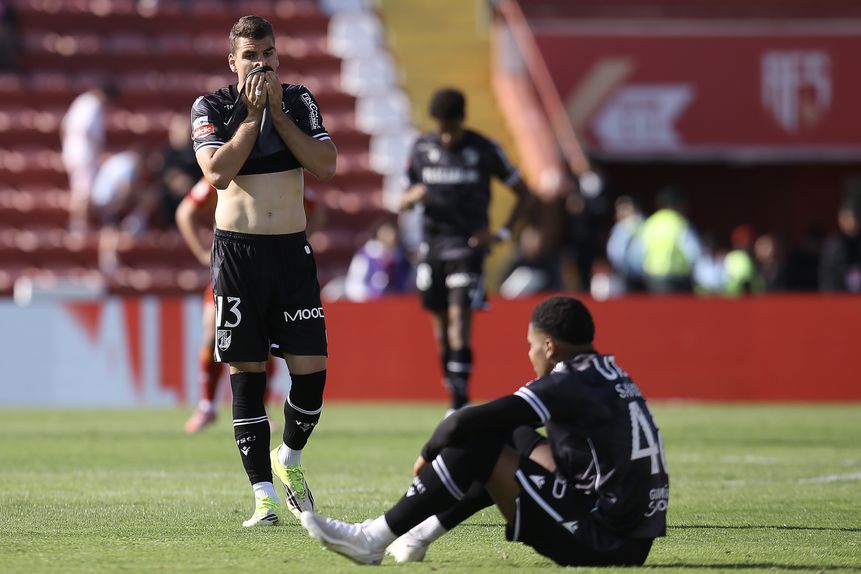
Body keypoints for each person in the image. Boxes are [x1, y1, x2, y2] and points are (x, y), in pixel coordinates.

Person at [299, 295, 669, 566]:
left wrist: (428, 453)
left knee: (477, 445)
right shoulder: (610, 372)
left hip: (600, 541)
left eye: (530, 346)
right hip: (630, 540)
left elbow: (461, 422)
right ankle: (416, 536)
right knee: (510, 435)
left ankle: (371, 539)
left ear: (549, 347)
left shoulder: (567, 382)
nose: (529, 354)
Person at [191, 15, 337, 527]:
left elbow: (326, 164)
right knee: (247, 373)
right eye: (251, 55)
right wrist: (254, 118)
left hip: (290, 254)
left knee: (312, 372)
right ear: (233, 61)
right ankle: (263, 498)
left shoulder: (298, 99)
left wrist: (278, 115)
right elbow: (216, 173)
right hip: (238, 257)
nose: (261, 63)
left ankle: (288, 457)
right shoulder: (211, 107)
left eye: (268, 53)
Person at [399, 87, 533, 413]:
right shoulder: (421, 148)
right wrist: (411, 197)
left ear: (462, 120)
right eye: (442, 129)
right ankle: (455, 391)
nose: (447, 137)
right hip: (432, 249)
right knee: (441, 330)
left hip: (467, 248)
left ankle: (459, 402)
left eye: (452, 129)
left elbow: (524, 193)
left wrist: (501, 233)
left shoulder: (484, 149)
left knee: (460, 320)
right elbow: (402, 199)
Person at [177, 177, 323, 433]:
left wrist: (299, 241)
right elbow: (185, 212)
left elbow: (317, 209)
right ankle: (207, 406)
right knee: (212, 336)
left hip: (271, 266)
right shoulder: (224, 171)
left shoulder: (282, 173)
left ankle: (261, 410)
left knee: (264, 343)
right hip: (232, 267)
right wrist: (201, 252)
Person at [60, 82, 119, 234]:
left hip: (73, 152)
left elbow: (64, 126)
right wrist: (96, 151)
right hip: (84, 155)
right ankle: (79, 226)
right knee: (83, 192)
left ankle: (79, 225)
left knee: (81, 190)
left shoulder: (81, 100)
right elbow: (86, 130)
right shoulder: (93, 104)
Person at [633, 187, 702, 293]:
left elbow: (638, 253)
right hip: (677, 280)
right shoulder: (679, 222)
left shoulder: (650, 223)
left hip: (652, 279)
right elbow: (694, 252)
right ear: (679, 204)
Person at [343, 218, 413, 302]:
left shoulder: (401, 258)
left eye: (391, 233)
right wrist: (368, 295)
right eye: (386, 232)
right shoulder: (366, 255)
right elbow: (353, 284)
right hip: (371, 303)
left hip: (396, 302)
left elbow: (408, 283)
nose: (390, 236)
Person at [819, 199, 861, 292]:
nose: (850, 221)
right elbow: (827, 279)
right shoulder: (832, 246)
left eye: (853, 217)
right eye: (845, 217)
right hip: (840, 296)